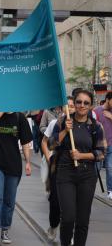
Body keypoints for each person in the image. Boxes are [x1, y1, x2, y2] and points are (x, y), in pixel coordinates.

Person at [52, 90, 106, 246]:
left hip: (87, 175)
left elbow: (101, 153)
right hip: (65, 172)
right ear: (74, 103)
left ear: (91, 106)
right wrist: (64, 131)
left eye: (86, 103)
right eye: (79, 102)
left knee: (82, 219)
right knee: (68, 217)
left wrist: (81, 156)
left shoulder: (96, 126)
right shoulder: (63, 121)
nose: (82, 105)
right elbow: (50, 144)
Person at [0, 112, 32, 245]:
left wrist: (28, 162)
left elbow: (26, 142)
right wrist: (3, 108)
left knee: (9, 200)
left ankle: (5, 229)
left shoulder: (19, 117)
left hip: (13, 164)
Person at [41, 97, 75, 241]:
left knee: (73, 203)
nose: (72, 108)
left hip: (76, 169)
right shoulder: (56, 123)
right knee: (55, 201)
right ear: (61, 109)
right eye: (69, 106)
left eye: (73, 106)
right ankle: (53, 225)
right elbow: (46, 142)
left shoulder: (84, 124)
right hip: (58, 166)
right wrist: (49, 158)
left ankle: (69, 233)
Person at [94, 92, 112, 200]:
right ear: (108, 99)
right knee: (96, 168)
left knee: (110, 167)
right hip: (99, 146)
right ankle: (90, 187)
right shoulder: (96, 111)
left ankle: (110, 190)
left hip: (111, 145)